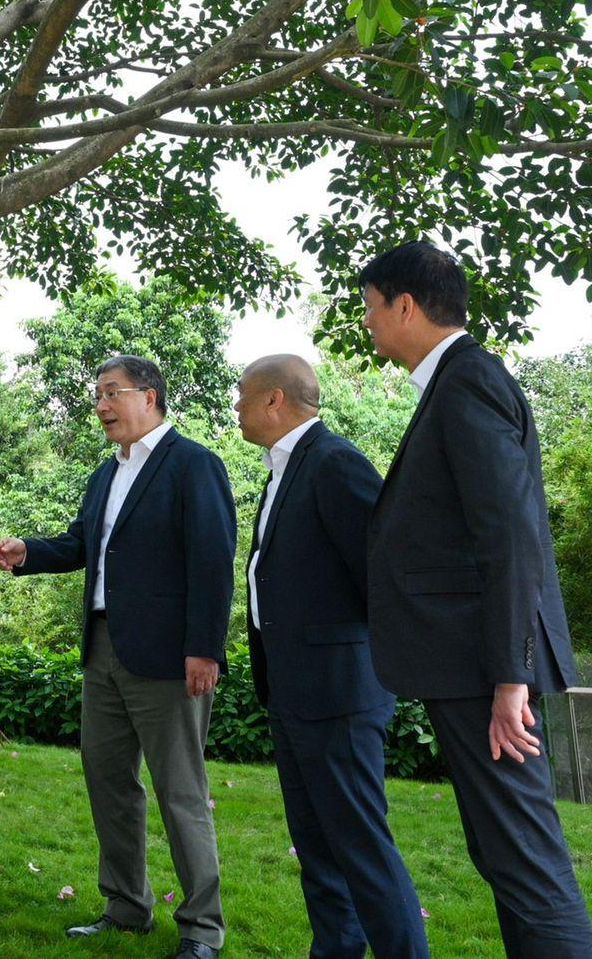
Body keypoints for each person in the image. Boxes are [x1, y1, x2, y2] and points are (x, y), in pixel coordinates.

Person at [358, 240, 592, 958]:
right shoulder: (455, 383)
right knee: (506, 855)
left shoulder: (467, 382)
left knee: (524, 859)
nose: (367, 324)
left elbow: (512, 536)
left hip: (484, 671)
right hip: (471, 667)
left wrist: (509, 676)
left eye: (371, 309)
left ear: (406, 306)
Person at [0, 355, 236, 959]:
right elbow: (83, 543)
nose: (100, 405)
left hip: (168, 662)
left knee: (181, 792)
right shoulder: (106, 473)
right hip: (101, 651)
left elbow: (212, 562)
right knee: (108, 783)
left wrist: (205, 649)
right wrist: (30, 551)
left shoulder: (194, 465)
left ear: (148, 396)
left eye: (110, 393)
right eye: (97, 395)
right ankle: (127, 908)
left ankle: (202, 930)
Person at [236, 354, 428, 959]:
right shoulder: (281, 471)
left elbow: (383, 571)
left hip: (340, 693)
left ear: (274, 400)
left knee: (362, 851)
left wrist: (365, 666)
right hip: (292, 691)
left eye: (243, 396)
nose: (236, 408)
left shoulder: (334, 461)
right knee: (318, 851)